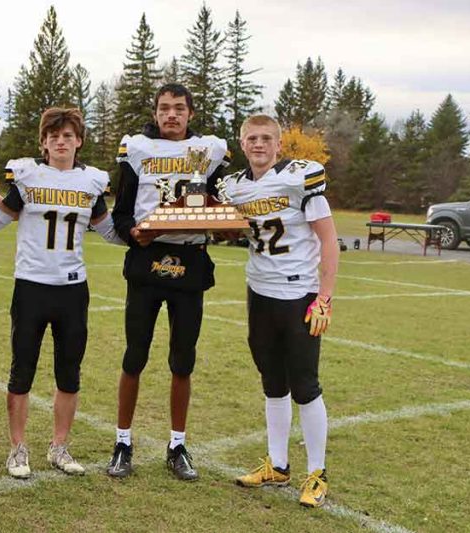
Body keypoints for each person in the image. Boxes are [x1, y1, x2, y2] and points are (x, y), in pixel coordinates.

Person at [0, 108, 120, 478]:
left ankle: (59, 446)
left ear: (79, 141)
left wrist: (151, 232)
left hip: (73, 289)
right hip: (31, 285)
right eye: (54, 135)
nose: (61, 140)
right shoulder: (28, 177)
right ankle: (17, 449)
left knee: (69, 373)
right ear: (43, 142)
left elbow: (109, 231)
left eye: (68, 135)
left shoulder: (91, 182)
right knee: (20, 371)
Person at [107, 83, 230, 481]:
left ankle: (178, 444)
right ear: (156, 113)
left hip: (191, 262)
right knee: (135, 355)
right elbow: (121, 214)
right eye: (164, 109)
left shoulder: (208, 151)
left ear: (190, 113)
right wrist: (133, 234)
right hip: (146, 261)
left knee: (183, 359)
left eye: (179, 108)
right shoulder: (138, 149)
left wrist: (225, 226)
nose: (171, 115)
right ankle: (122, 441)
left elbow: (217, 205)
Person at [224, 114, 338, 508]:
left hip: (298, 296)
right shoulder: (235, 187)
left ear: (278, 144)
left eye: (266, 138)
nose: (258, 144)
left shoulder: (300, 179)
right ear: (242, 143)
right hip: (260, 293)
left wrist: (325, 297)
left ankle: (318, 474)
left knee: (305, 385)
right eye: (252, 138)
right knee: (272, 381)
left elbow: (329, 241)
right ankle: (278, 464)